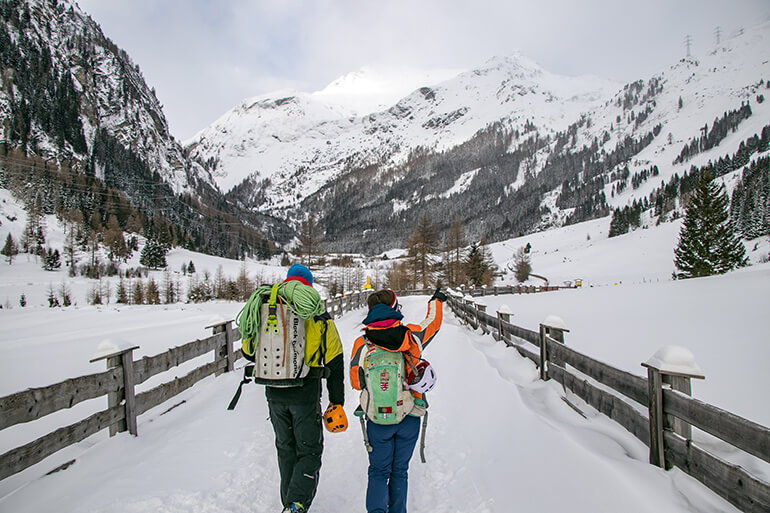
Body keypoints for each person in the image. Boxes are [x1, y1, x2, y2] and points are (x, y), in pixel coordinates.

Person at [249, 264, 347, 513]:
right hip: (305, 390)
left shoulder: (267, 305)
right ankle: (296, 505)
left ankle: (289, 503)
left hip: (273, 390)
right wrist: (337, 400)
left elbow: (248, 350)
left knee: (285, 447)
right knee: (309, 450)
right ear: (309, 285)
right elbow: (334, 360)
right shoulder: (316, 312)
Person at [350, 288, 446, 513]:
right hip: (410, 415)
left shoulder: (361, 344)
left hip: (377, 419)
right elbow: (433, 323)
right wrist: (436, 301)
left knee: (378, 472)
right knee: (400, 471)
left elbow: (356, 381)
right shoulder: (411, 336)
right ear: (395, 309)